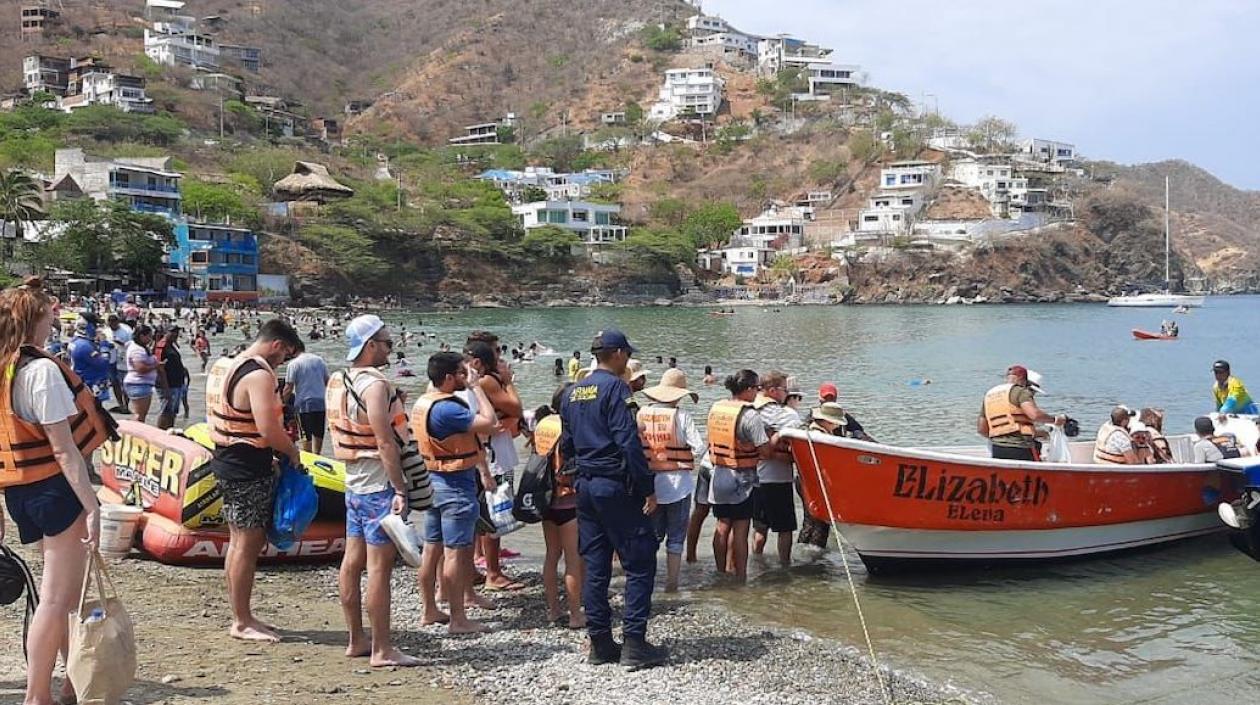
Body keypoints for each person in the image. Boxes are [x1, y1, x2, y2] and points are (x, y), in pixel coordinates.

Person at [0, 278, 118, 705]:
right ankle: (36, 695)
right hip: (53, 490)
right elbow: (65, 452)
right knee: (54, 599)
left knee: (64, 594)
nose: (56, 320)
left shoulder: (6, 366)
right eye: (51, 314)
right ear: (36, 320)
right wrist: (93, 506)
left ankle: (71, 683)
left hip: (21, 493)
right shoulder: (42, 371)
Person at [559, 328, 667, 669]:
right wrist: (647, 486)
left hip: (586, 486)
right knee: (639, 561)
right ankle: (634, 644)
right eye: (627, 355)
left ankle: (600, 643)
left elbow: (567, 444)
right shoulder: (616, 388)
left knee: (596, 565)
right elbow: (628, 441)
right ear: (618, 354)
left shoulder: (573, 392)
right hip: (614, 484)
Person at [327, 315, 421, 667]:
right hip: (379, 486)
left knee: (351, 564)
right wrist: (400, 488)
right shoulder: (375, 386)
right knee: (379, 569)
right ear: (370, 345)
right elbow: (385, 442)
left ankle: (356, 639)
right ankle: (382, 648)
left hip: (352, 484)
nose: (389, 348)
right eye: (386, 342)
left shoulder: (338, 379)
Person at [204, 319, 304, 642]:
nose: (283, 363)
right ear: (277, 345)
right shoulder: (260, 375)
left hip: (227, 460)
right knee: (247, 544)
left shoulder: (226, 364)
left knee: (238, 543)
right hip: (247, 468)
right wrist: (292, 452)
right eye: (285, 355)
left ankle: (241, 615)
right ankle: (242, 620)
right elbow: (268, 429)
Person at [413, 351, 496, 634]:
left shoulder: (424, 401)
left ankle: (429, 610)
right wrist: (477, 388)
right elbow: (489, 422)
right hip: (455, 486)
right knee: (456, 555)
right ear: (448, 378)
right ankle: (458, 619)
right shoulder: (448, 409)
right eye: (461, 373)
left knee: (431, 550)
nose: (466, 376)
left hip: (431, 482)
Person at [638, 368, 706, 592]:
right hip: (678, 485)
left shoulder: (640, 414)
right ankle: (672, 584)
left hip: (649, 486)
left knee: (651, 537)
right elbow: (699, 447)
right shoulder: (681, 416)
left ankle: (645, 581)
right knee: (676, 538)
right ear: (678, 395)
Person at [469, 334, 527, 591]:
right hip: (495, 455)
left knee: (477, 512)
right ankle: (493, 573)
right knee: (496, 512)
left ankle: (472, 567)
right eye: (497, 352)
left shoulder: (469, 383)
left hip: (478, 452)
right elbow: (515, 407)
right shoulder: (489, 382)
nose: (501, 357)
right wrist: (509, 382)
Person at [707, 369, 772, 583]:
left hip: (719, 474)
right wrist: (776, 438)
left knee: (722, 525)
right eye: (756, 388)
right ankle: (741, 578)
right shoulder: (750, 415)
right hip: (742, 478)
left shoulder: (717, 408)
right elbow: (765, 452)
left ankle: (721, 572)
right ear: (748, 389)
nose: (758, 393)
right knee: (741, 529)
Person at [533, 387, 584, 628]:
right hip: (568, 500)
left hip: (545, 500)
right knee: (574, 560)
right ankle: (576, 614)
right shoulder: (569, 426)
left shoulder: (543, 424)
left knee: (552, 555)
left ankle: (553, 610)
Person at [750, 371, 801, 568]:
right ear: (772, 391)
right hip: (778, 480)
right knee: (785, 528)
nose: (786, 394)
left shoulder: (751, 410)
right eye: (784, 390)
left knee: (760, 528)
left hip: (756, 478)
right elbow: (797, 430)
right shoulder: (784, 414)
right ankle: (785, 565)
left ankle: (756, 562)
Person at [977, 365, 1066, 460]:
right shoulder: (1021, 391)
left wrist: (1002, 438)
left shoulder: (990, 395)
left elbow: (982, 429)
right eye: (1033, 391)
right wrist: (1055, 420)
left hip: (997, 448)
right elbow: (1034, 415)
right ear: (1024, 380)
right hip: (1021, 447)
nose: (1032, 394)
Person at [283, 348, 330, 454]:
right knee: (318, 432)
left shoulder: (294, 364)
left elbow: (288, 387)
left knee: (305, 435)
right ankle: (318, 455)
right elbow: (328, 381)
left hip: (303, 404)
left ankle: (308, 459)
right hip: (320, 402)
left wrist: (282, 404)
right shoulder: (319, 360)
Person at [67, 315, 111, 405]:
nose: (97, 329)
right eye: (95, 325)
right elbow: (104, 364)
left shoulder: (75, 341)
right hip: (90, 386)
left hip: (81, 382)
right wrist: (104, 344)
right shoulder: (84, 346)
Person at [154, 326, 189, 430]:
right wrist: (166, 388)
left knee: (173, 411)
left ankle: (170, 431)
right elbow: (159, 368)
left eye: (177, 332)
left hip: (177, 383)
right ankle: (160, 433)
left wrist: (183, 370)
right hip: (168, 384)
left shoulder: (171, 345)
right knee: (165, 411)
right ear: (166, 332)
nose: (175, 334)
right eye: (172, 332)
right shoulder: (161, 346)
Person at [125, 324, 160, 424]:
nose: (150, 338)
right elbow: (140, 368)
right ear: (141, 336)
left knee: (140, 415)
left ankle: (134, 435)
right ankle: (134, 436)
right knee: (139, 415)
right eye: (149, 336)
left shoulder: (138, 346)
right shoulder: (137, 350)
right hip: (138, 384)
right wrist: (156, 366)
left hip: (140, 384)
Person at [104, 314, 132, 412]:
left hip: (123, 360)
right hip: (111, 360)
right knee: (115, 382)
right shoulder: (106, 331)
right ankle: (120, 404)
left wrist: (121, 344)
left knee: (125, 383)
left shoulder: (127, 330)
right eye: (110, 324)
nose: (112, 326)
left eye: (114, 324)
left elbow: (131, 344)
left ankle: (126, 404)